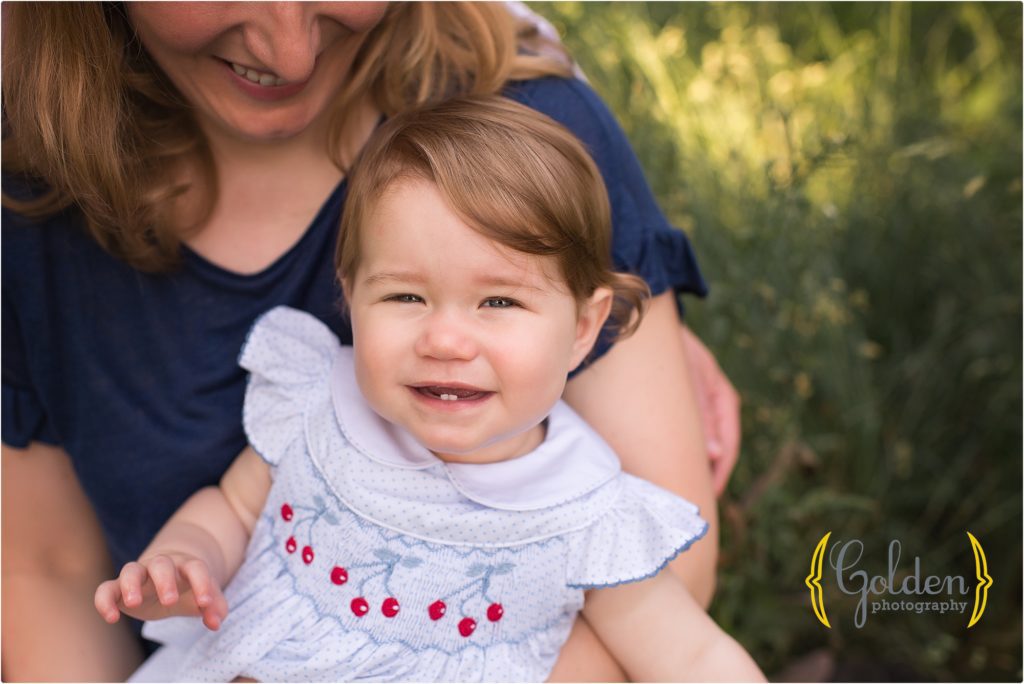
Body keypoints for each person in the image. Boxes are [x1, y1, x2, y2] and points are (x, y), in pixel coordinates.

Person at [2, 3, 740, 681]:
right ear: (347, 295)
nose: (446, 338)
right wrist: (183, 560)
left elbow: (690, 648)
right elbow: (224, 511)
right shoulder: (323, 404)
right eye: (407, 297)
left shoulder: (584, 509)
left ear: (588, 327)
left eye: (498, 301)